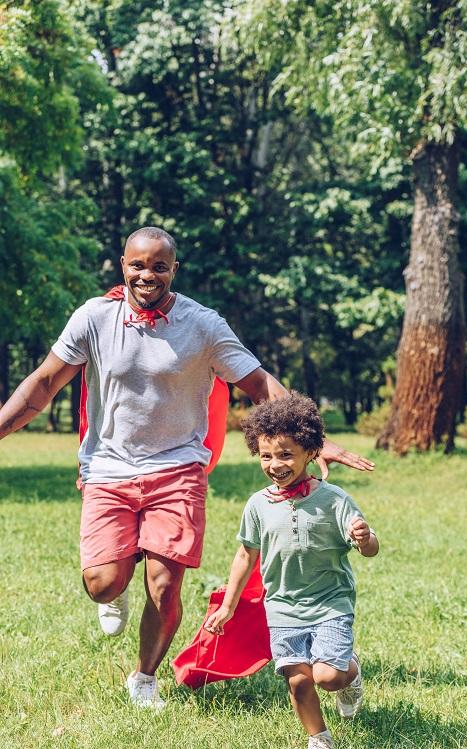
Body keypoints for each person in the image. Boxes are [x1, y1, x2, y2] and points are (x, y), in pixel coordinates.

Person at [0, 226, 374, 709]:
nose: (147, 274)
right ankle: (117, 585)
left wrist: (313, 440)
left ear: (174, 270)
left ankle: (144, 677)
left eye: (159, 266)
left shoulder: (202, 325)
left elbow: (260, 384)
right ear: (123, 266)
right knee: (102, 582)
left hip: (178, 469)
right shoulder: (94, 317)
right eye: (138, 265)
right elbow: (42, 385)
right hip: (109, 469)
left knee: (164, 582)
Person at [204, 392, 379, 749]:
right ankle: (320, 739)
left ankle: (352, 671)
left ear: (311, 452)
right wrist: (228, 605)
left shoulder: (333, 500)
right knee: (299, 680)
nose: (275, 464)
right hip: (282, 606)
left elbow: (371, 547)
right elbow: (245, 555)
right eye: (266, 456)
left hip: (331, 601)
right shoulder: (257, 505)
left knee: (328, 676)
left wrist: (364, 538)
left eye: (286, 455)